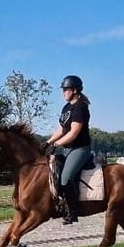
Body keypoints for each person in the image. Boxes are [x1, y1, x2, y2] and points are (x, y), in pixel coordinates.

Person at [42, 74, 92, 224]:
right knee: (54, 174)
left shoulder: (80, 107)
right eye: (63, 90)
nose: (63, 92)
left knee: (65, 178)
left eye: (66, 89)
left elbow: (74, 132)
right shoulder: (67, 107)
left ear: (75, 90)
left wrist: (56, 145)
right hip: (68, 149)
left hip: (80, 149)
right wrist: (48, 142)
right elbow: (62, 129)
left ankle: (73, 212)